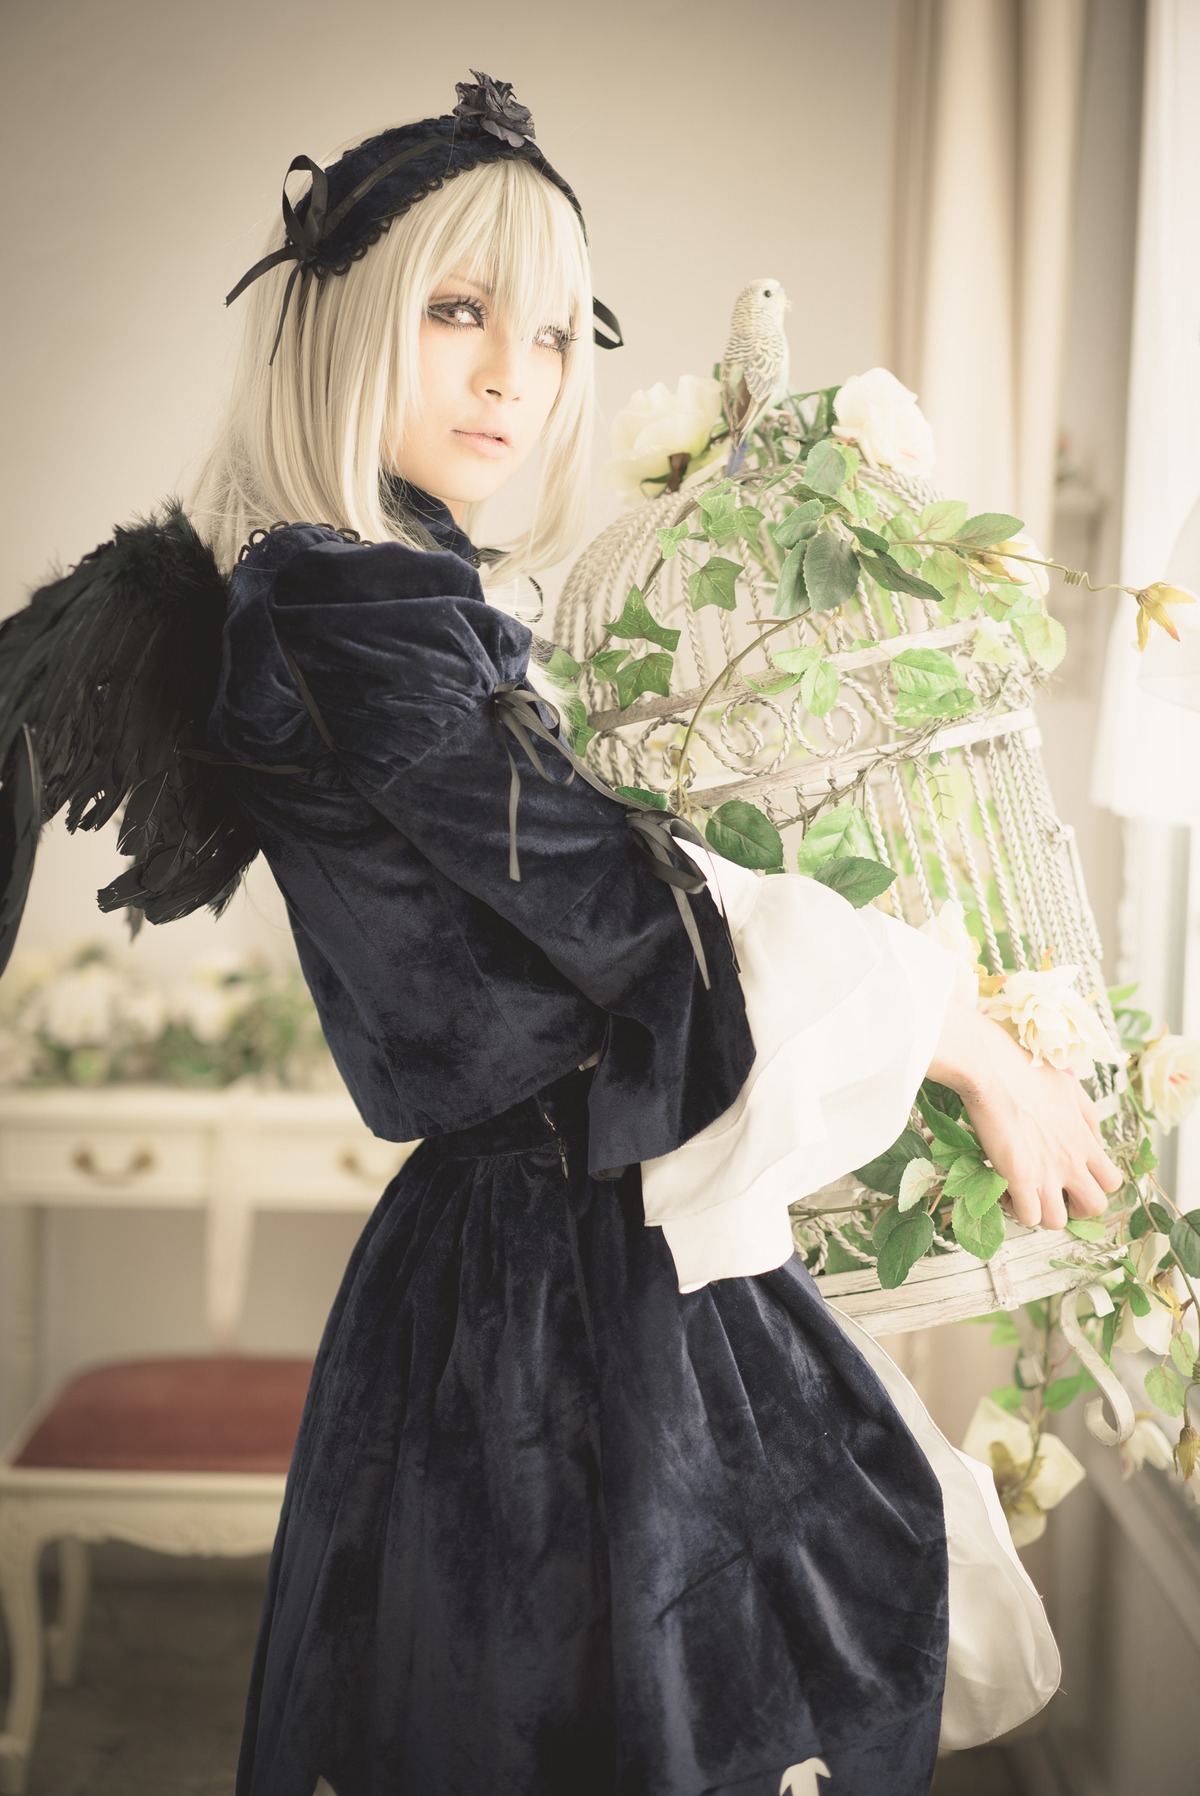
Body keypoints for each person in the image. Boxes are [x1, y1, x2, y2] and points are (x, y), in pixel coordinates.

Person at [0, 71, 1123, 1796]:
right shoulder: (349, 602)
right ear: (347, 320)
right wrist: (959, 1032)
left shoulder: (389, 587)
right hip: (543, 1284)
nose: (512, 373)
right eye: (456, 311)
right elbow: (622, 909)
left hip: (537, 1252)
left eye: (548, 329)